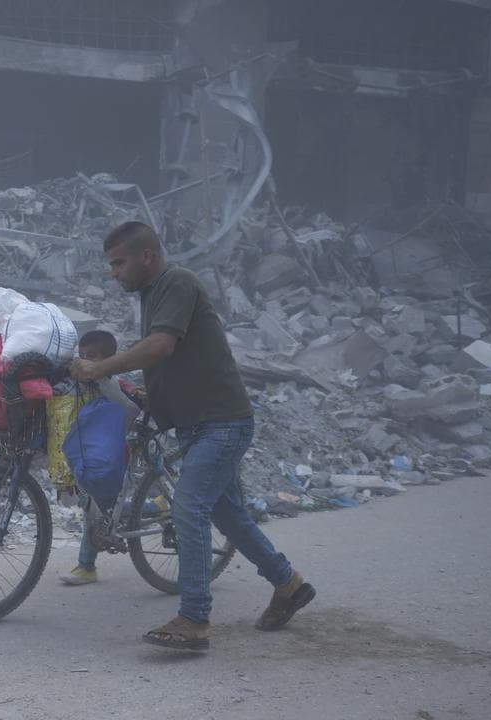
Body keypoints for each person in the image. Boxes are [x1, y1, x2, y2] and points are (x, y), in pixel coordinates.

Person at [70, 221, 315, 652]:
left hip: (221, 422)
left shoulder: (177, 281)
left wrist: (100, 368)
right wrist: (153, 393)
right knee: (230, 517)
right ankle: (288, 584)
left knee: (188, 508)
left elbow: (161, 347)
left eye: (119, 262)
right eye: (111, 265)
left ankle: (194, 618)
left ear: (147, 256)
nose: (114, 273)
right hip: (201, 422)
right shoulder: (154, 293)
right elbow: (174, 356)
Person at [58, 330, 139, 586]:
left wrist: (100, 375)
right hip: (85, 456)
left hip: (109, 459)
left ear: (108, 360)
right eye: (80, 356)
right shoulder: (80, 385)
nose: (84, 361)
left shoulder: (111, 384)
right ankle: (155, 506)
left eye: (91, 357)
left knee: (96, 510)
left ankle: (86, 566)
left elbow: (129, 409)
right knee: (98, 509)